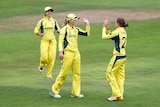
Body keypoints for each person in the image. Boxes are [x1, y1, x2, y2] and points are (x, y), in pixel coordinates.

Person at [49, 13, 90, 98]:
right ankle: (54, 90)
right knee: (64, 73)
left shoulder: (76, 29)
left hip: (76, 53)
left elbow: (86, 34)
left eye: (76, 19)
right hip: (67, 53)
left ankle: (75, 92)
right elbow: (60, 41)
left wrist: (87, 25)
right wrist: (60, 52)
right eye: (74, 19)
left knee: (77, 73)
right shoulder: (64, 30)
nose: (75, 21)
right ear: (69, 20)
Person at [102, 18, 128, 101]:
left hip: (117, 56)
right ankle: (119, 95)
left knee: (109, 73)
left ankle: (117, 94)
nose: (114, 24)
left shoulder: (117, 31)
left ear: (118, 24)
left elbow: (104, 37)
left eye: (115, 23)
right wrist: (108, 29)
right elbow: (113, 37)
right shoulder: (123, 31)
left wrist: (104, 28)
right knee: (120, 76)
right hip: (123, 56)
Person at [34, 6, 60, 79]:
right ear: (45, 13)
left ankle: (49, 74)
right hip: (44, 41)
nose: (49, 12)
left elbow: (58, 28)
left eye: (50, 11)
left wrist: (59, 31)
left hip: (52, 41)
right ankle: (41, 66)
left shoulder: (54, 21)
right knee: (44, 57)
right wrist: (40, 34)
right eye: (48, 11)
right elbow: (36, 30)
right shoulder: (42, 21)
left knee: (52, 58)